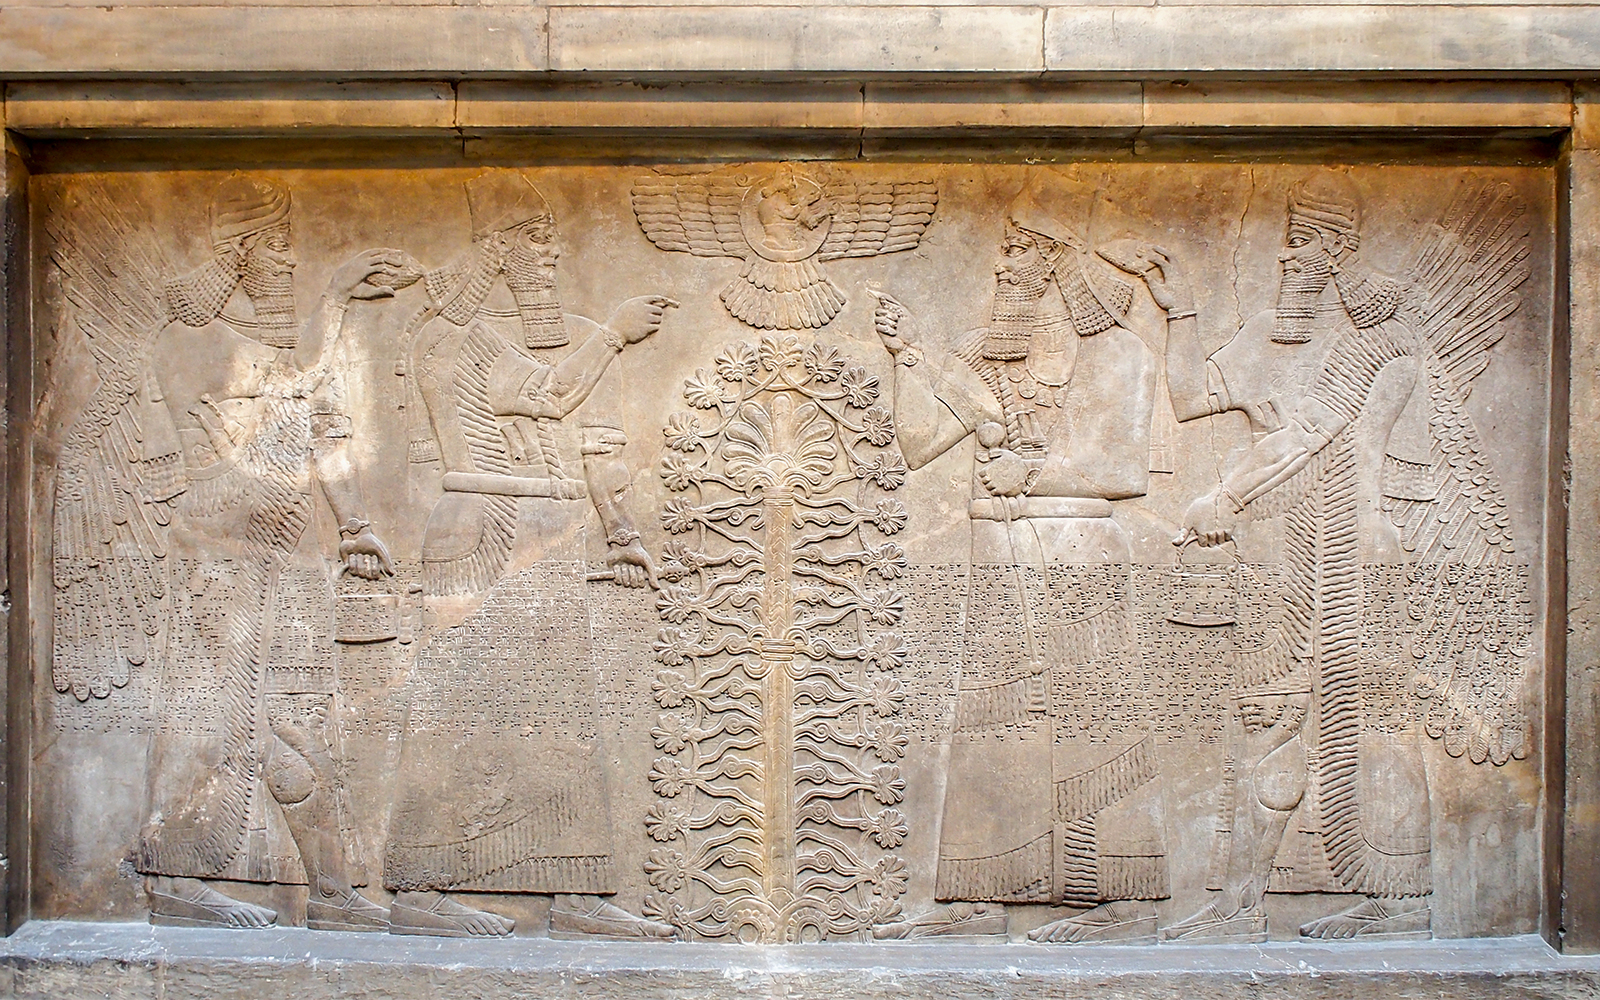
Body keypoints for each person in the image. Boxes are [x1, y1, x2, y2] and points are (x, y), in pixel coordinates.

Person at [869, 176, 1204, 943]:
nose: (1002, 267)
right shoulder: (989, 358)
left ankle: (1117, 903)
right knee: (995, 722)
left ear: (1057, 263)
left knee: (1094, 726)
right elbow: (919, 447)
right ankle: (985, 898)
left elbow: (1120, 470)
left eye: (1019, 253)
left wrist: (1034, 471)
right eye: (1006, 251)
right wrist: (908, 360)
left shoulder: (1117, 352)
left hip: (1079, 548)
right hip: (999, 551)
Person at [382, 170, 674, 938]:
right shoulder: (453, 336)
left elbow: (580, 438)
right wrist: (611, 333)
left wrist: (618, 529)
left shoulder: (473, 333)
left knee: (558, 712)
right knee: (456, 708)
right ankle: (421, 891)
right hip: (485, 520)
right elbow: (548, 396)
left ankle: (571, 895)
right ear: (500, 249)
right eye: (536, 242)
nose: (549, 257)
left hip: (536, 525)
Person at [1162, 172, 1435, 942]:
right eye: (1285, 238)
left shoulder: (1378, 345)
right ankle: (1240, 907)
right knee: (1272, 720)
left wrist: (1223, 497)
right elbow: (1200, 402)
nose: (1285, 257)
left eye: (1305, 241)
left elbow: (1314, 437)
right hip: (1292, 557)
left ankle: (1402, 901)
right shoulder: (1296, 335)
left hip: (1353, 557)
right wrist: (1180, 305)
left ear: (1340, 250)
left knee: (1366, 727)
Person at [137, 173, 399, 930]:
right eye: (277, 246)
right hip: (219, 554)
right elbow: (276, 408)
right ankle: (180, 882)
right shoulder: (194, 338)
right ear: (246, 250)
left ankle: (331, 894)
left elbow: (322, 436)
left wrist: (353, 527)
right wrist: (339, 297)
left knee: (299, 718)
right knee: (219, 722)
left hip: (286, 558)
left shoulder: (275, 349)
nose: (289, 260)